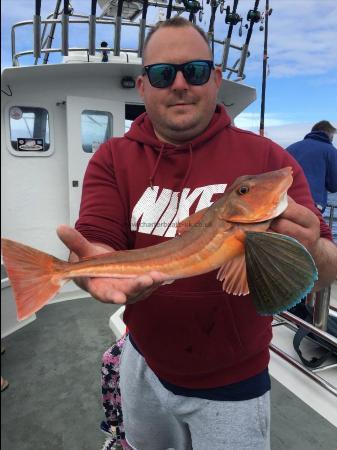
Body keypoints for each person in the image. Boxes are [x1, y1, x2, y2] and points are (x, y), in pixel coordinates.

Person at [57, 17, 337, 450]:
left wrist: (313, 246)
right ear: (143, 86)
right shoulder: (112, 157)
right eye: (164, 73)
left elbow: (330, 268)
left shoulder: (266, 155)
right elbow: (95, 236)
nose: (181, 84)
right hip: (142, 363)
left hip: (235, 381)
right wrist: (90, 262)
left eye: (197, 70)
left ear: (216, 79)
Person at [287, 120, 337, 213]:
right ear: (329, 135)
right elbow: (334, 185)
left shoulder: (291, 147)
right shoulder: (330, 150)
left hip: (285, 201)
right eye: (333, 136)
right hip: (310, 204)